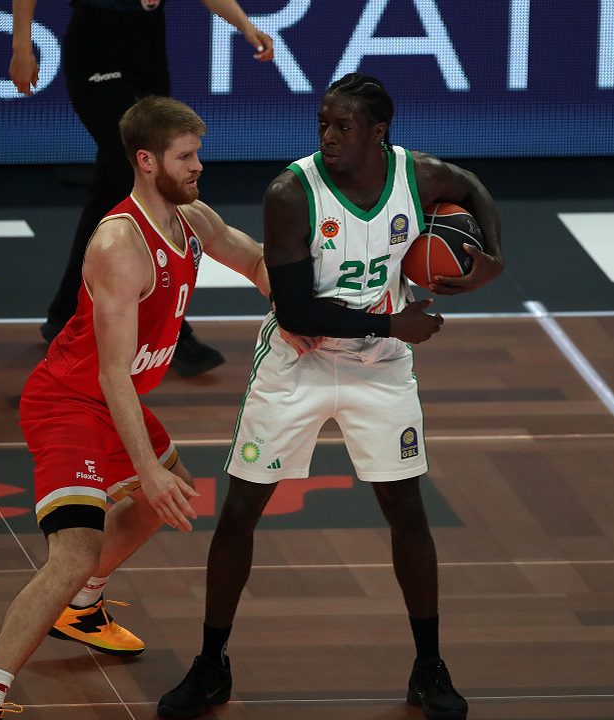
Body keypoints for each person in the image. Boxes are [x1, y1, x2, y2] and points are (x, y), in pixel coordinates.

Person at [0, 95, 312, 720]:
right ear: (146, 161)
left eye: (197, 153)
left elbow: (254, 259)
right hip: (69, 401)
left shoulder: (191, 218)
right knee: (75, 551)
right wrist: (145, 468)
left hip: (112, 400)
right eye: (185, 156)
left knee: (167, 494)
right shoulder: (120, 244)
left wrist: (292, 307)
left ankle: (82, 609)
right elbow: (112, 373)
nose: (198, 166)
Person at [156, 73, 504, 720]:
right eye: (323, 123)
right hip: (298, 365)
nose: (329, 135)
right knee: (239, 513)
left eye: (343, 126)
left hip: (380, 370)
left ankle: (429, 667)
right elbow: (294, 311)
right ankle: (211, 665)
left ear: (379, 133)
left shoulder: (419, 176)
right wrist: (394, 323)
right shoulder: (292, 193)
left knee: (407, 511)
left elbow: (470, 187)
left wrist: (494, 256)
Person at [10, 0, 275, 377]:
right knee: (145, 176)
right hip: (98, 44)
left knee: (111, 186)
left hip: (148, 43)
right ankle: (173, 330)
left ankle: (66, 312)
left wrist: (245, 25)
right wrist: (22, 45)